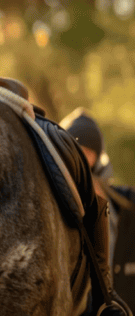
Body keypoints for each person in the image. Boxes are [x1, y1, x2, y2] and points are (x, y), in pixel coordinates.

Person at [61, 108, 135, 307]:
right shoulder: (57, 199)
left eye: (88, 151)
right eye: (77, 149)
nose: (83, 158)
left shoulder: (127, 201)